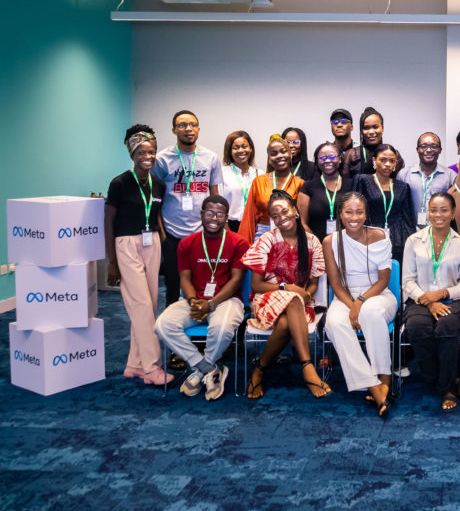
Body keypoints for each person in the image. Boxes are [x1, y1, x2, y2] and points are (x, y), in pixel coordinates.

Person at [154, 195, 247, 400]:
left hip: (226, 300)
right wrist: (193, 301)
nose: (214, 218)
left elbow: (236, 280)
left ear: (227, 217)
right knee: (162, 325)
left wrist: (211, 304)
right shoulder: (187, 243)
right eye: (210, 213)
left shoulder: (239, 242)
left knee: (222, 328)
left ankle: (200, 370)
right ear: (202, 214)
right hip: (193, 300)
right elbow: (184, 277)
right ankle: (208, 369)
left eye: (220, 214)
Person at [242, 190, 330, 399]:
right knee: (292, 299)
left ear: (296, 211)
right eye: (275, 215)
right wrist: (287, 289)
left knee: (284, 324)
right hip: (266, 299)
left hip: (300, 303)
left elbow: (314, 284)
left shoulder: (312, 242)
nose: (281, 218)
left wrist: (305, 293)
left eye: (285, 211)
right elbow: (256, 285)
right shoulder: (266, 241)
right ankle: (307, 366)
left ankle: (259, 369)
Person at [104, 124, 171, 386]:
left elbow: (157, 217)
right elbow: (109, 222)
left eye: (151, 151)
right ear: (132, 153)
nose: (148, 156)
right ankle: (152, 368)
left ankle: (134, 365)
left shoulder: (159, 184)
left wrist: (164, 246)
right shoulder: (119, 183)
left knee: (148, 305)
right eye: (142, 152)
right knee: (141, 305)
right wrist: (112, 261)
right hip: (127, 243)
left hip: (151, 242)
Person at [322, 192, 397, 417]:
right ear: (340, 214)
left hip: (377, 294)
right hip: (344, 296)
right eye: (348, 212)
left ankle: (384, 376)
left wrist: (359, 304)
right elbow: (336, 284)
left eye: (359, 212)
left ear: (366, 214)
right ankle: (373, 386)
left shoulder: (380, 236)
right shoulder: (330, 241)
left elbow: (383, 280)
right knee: (334, 323)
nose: (354, 217)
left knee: (371, 313)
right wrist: (352, 305)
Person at [402, 192, 460, 412]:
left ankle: (447, 389)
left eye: (444, 210)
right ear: (428, 213)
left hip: (455, 299)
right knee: (417, 326)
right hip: (420, 298)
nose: (438, 215)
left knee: (447, 324)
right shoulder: (414, 241)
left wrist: (442, 293)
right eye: (433, 210)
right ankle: (444, 377)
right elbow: (407, 281)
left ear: (452, 213)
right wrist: (428, 301)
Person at [153, 111, 223, 312]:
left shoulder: (210, 158)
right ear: (174, 130)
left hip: (202, 232)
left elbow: (215, 196)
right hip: (172, 233)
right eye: (182, 125)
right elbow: (155, 199)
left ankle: (202, 317)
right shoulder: (162, 159)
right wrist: (162, 233)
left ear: (198, 129)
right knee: (173, 284)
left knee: (204, 280)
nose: (188, 129)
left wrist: (218, 229)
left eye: (192, 124)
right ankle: (172, 324)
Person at [352, 144, 415, 261]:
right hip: (369, 238)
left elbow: (407, 219)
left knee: (395, 270)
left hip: (397, 241)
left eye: (392, 161)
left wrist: (411, 243)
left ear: (396, 163)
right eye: (383, 160)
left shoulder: (403, 187)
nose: (388, 164)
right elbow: (354, 211)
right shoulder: (362, 180)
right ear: (374, 160)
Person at [238, 135, 304, 245]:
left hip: (290, 235)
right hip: (263, 234)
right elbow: (249, 216)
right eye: (274, 153)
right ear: (269, 159)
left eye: (283, 151)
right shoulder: (259, 182)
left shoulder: (300, 184)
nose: (279, 156)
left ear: (290, 155)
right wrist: (245, 245)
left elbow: (303, 220)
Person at [396, 132, 456, 228]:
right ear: (417, 149)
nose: (428, 150)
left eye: (433, 146)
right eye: (424, 146)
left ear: (440, 150)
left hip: (440, 230)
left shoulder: (450, 176)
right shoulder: (404, 174)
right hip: (411, 231)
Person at [298, 142, 349, 244]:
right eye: (322, 158)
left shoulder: (352, 184)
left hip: (346, 245)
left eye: (332, 157)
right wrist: (318, 246)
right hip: (316, 245)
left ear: (340, 159)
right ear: (317, 161)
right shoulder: (308, 187)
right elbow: (302, 223)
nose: (327, 161)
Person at [342, 107, 406, 179]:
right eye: (366, 128)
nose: (371, 132)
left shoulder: (394, 155)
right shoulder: (351, 155)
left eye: (375, 127)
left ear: (382, 128)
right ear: (361, 131)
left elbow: (400, 182)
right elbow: (345, 183)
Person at [219, 130, 259, 233]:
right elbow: (219, 206)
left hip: (254, 227)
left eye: (244, 146)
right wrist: (227, 231)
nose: (241, 150)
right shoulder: (221, 173)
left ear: (251, 148)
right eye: (235, 148)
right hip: (229, 226)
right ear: (229, 151)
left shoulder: (259, 174)